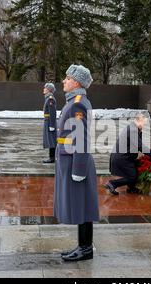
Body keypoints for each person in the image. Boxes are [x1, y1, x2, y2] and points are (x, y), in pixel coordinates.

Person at [54, 64, 99, 262]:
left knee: (83, 204)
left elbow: (81, 138)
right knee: (82, 204)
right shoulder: (74, 101)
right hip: (69, 157)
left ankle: (86, 248)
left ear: (77, 83)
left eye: (68, 78)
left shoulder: (78, 103)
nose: (64, 81)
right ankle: (83, 246)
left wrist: (79, 168)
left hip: (75, 160)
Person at [105, 114, 151, 195]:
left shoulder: (133, 128)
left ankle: (131, 188)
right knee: (132, 177)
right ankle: (113, 183)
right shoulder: (133, 130)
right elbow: (140, 146)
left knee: (135, 170)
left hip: (124, 157)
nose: (144, 125)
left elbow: (139, 144)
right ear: (139, 121)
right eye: (144, 123)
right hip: (122, 158)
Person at [42, 83, 57, 163]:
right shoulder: (47, 98)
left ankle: (52, 158)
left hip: (49, 122)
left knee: (51, 140)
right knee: (50, 140)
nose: (43, 89)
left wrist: (52, 125)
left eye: (45, 88)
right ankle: (52, 157)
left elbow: (52, 113)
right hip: (47, 121)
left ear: (49, 90)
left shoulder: (50, 99)